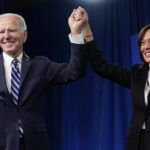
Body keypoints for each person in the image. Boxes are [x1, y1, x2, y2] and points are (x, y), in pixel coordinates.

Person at [0, 11, 87, 150]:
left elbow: (75, 72)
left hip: (36, 144)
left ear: (24, 35)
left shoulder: (41, 65)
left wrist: (76, 32)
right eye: (1, 32)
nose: (6, 36)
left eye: (12, 30)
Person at [72, 7, 150, 150]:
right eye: (142, 43)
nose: (146, 47)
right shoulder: (137, 74)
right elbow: (101, 66)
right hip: (136, 143)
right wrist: (86, 28)